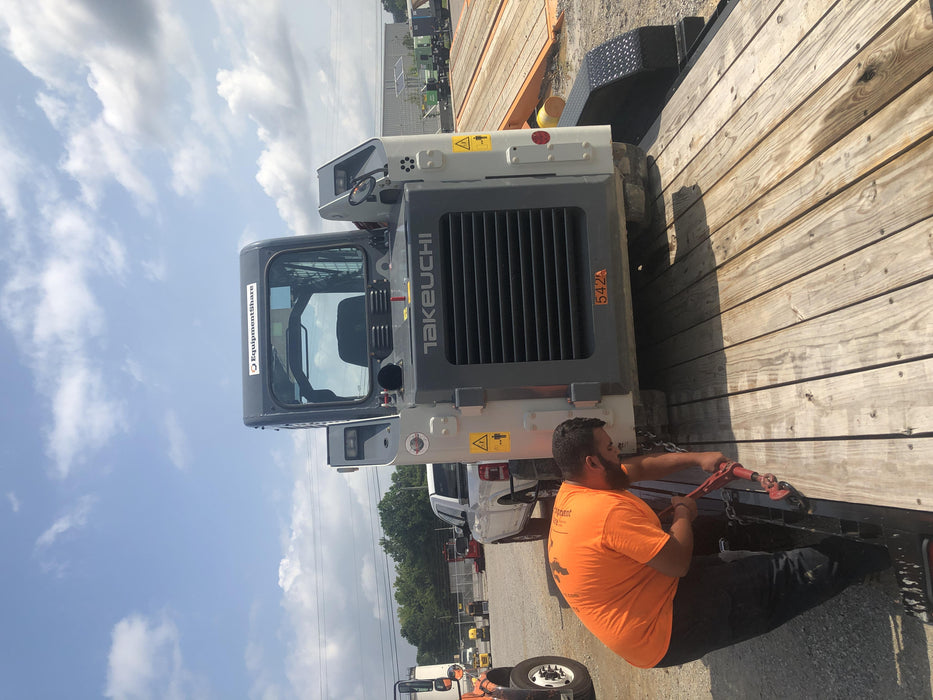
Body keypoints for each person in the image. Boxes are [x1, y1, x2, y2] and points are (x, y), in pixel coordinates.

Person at [547, 416, 890, 668]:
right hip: (662, 628)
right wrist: (684, 514)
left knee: (743, 565)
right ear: (592, 461)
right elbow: (677, 562)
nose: (617, 451)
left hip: (647, 600)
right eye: (610, 447)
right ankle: (885, 552)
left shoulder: (578, 489)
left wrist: (697, 459)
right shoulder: (603, 512)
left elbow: (638, 469)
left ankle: (852, 564)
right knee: (784, 577)